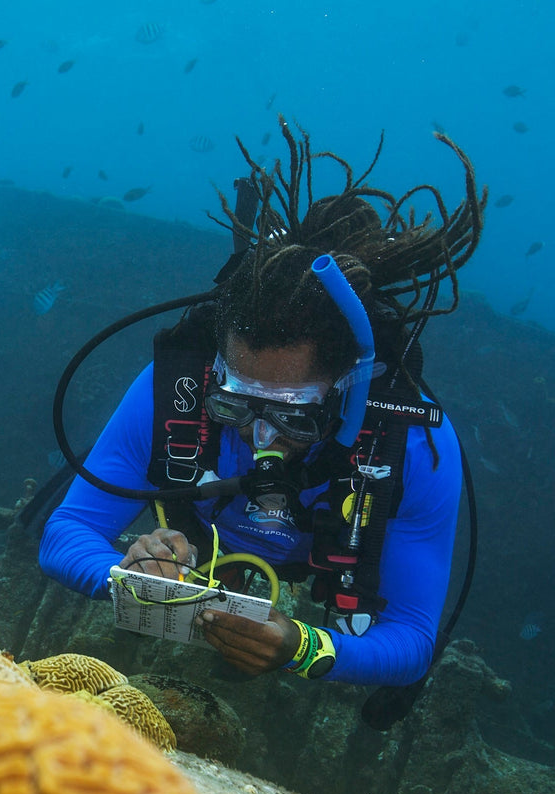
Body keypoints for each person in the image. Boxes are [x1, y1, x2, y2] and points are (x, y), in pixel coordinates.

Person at [39, 121, 485, 688]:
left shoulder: (417, 446)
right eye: (233, 408)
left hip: (318, 563)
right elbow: (67, 530)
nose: (260, 439)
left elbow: (414, 637)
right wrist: (132, 575)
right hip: (199, 542)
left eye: (292, 416)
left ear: (348, 390)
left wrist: (305, 648)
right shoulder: (176, 386)